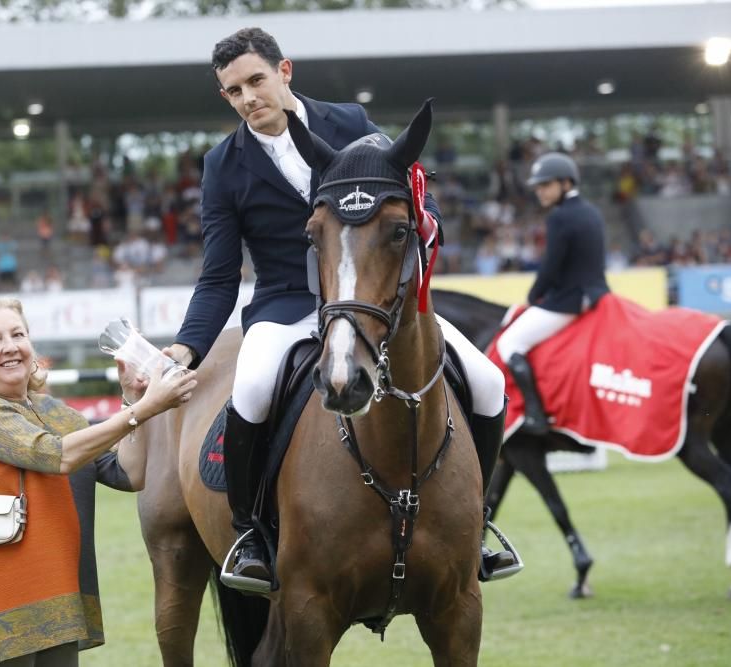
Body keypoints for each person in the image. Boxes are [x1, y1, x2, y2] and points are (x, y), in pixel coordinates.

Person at [162, 27, 515, 583]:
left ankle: (479, 521)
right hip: (287, 306)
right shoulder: (223, 165)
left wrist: (426, 227)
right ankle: (251, 532)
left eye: (256, 80)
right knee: (251, 390)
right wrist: (188, 347)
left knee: (489, 381)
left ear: (285, 72)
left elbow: (414, 198)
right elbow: (218, 276)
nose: (248, 97)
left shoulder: (349, 125)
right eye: (233, 91)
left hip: (372, 302)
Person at [0, 296, 196, 666]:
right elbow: (57, 455)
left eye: (18, 334)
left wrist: (133, 398)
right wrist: (147, 408)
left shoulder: (53, 411)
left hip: (58, 601)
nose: (10, 346)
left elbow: (129, 472)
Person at [496, 152, 610, 435]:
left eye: (545, 185)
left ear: (566, 182)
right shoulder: (592, 212)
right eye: (537, 186)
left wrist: (535, 296)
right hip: (596, 295)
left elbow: (551, 267)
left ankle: (536, 413)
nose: (539, 191)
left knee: (509, 343)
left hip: (568, 302)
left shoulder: (560, 217)